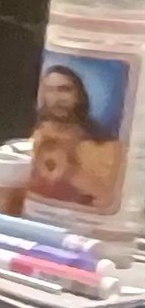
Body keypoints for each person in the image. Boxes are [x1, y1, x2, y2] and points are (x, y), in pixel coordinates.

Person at [28, 64, 126, 212]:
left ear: (79, 95)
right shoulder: (40, 134)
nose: (56, 99)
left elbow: (108, 201)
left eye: (64, 89)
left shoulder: (103, 145)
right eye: (49, 90)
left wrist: (69, 171)